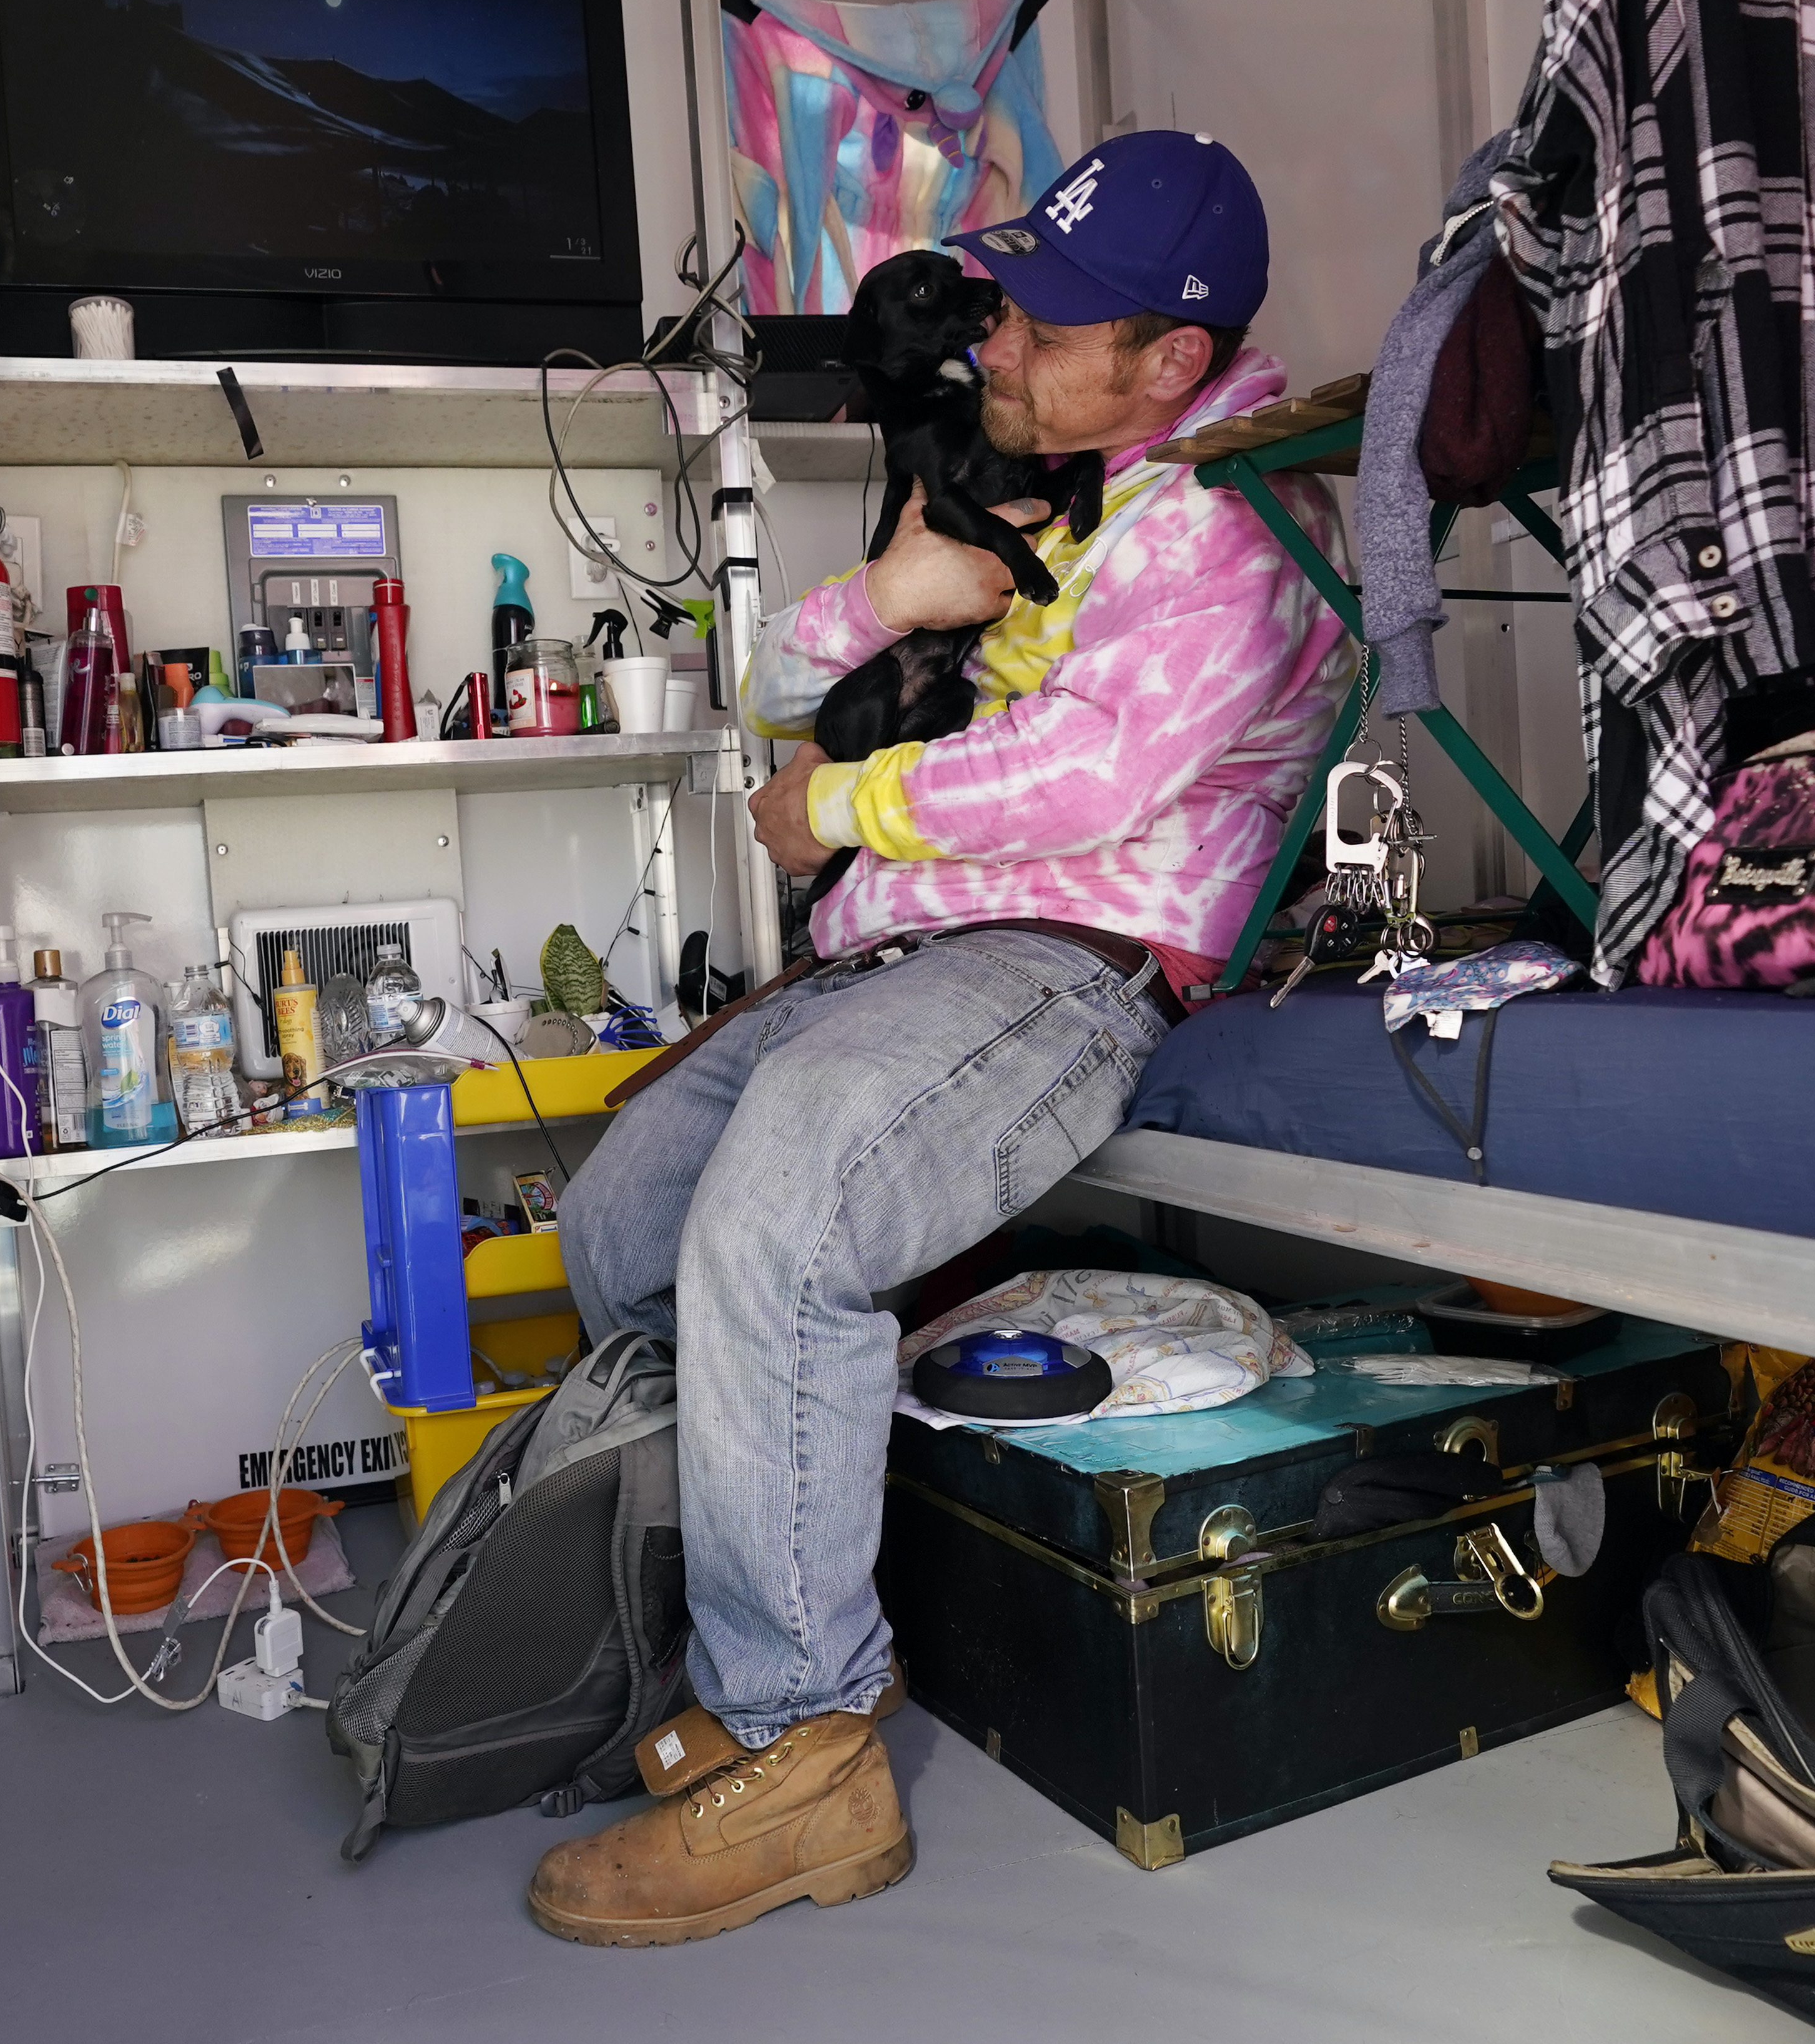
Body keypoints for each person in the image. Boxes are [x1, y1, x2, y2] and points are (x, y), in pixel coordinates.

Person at [527, 130, 1356, 1945]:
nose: (994, 338)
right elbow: (758, 682)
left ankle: (798, 1749)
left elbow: (1094, 775)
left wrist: (843, 806)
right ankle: (729, 1623)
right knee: (622, 1224)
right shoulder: (1072, 486)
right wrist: (887, 610)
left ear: (1173, 365)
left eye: (1043, 322)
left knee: (782, 1216)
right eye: (1005, 296)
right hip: (902, 949)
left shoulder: (1230, 521)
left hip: (1068, 959)